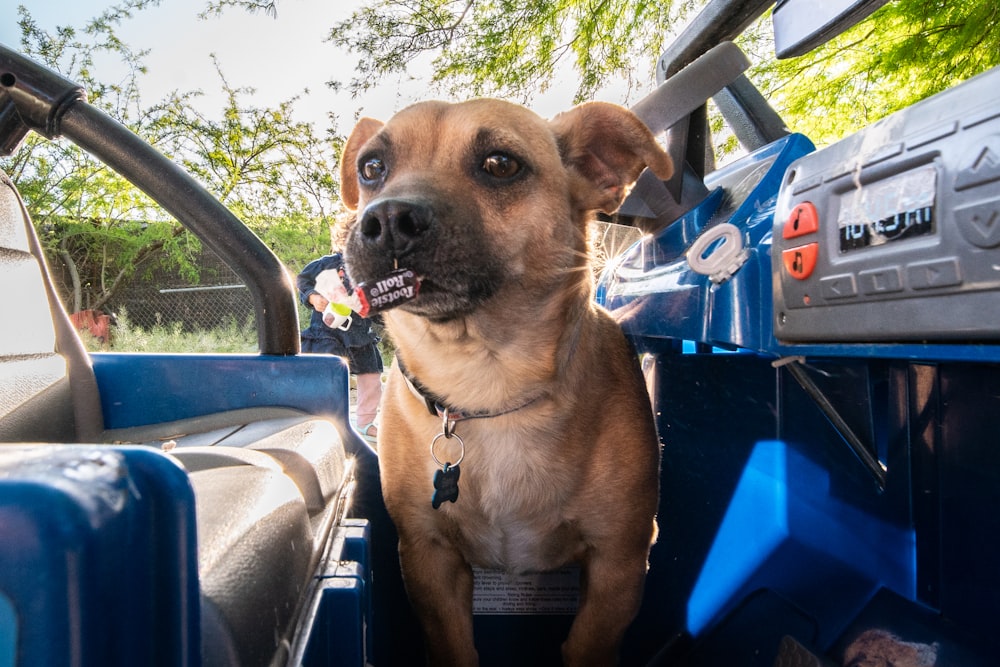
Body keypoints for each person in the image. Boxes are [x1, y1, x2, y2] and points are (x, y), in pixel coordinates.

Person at [297, 253, 383, 444]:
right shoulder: (327, 264)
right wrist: (312, 297)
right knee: (331, 374)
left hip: (360, 332)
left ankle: (365, 423)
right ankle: (328, 420)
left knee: (371, 374)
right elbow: (303, 279)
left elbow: (380, 304)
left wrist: (383, 313)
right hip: (328, 331)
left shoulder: (374, 270)